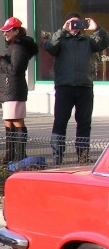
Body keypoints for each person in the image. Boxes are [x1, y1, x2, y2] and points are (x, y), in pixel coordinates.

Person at [42, 11, 109, 164]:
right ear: (66, 24)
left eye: (78, 23)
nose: (75, 26)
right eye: (72, 23)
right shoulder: (60, 39)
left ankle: (83, 154)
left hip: (85, 87)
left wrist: (97, 28)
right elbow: (50, 47)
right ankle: (57, 155)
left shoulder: (87, 40)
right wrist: (63, 30)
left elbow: (104, 42)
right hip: (64, 87)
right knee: (60, 121)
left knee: (84, 122)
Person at [0, 17, 38, 165]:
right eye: (4, 31)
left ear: (16, 31)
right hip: (8, 89)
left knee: (16, 120)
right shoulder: (13, 45)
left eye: (8, 31)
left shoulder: (19, 46)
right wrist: (0, 68)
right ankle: (10, 153)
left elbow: (16, 70)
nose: (5, 34)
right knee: (8, 120)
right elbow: (10, 67)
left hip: (14, 89)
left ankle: (19, 153)